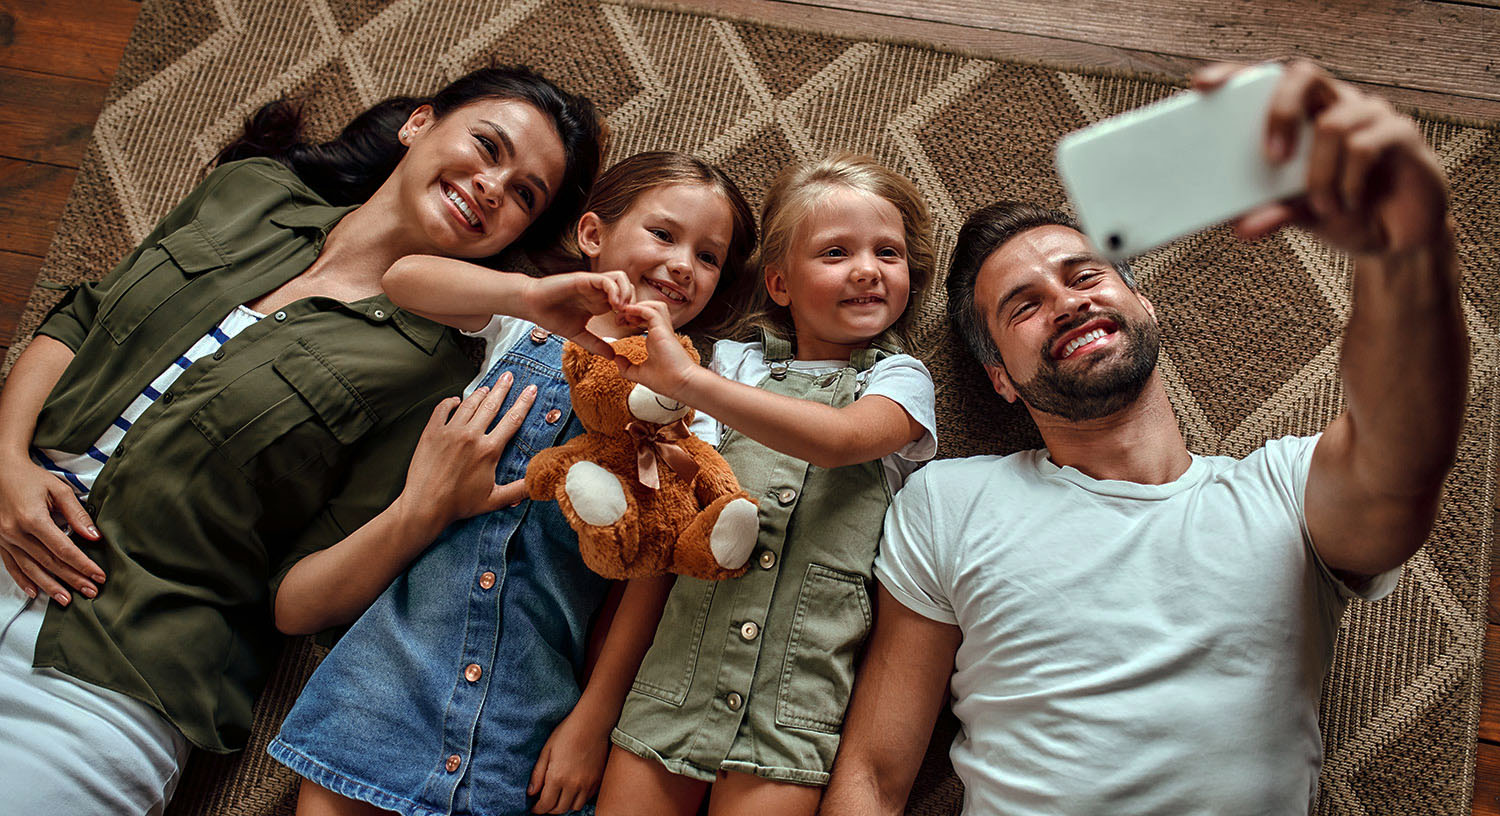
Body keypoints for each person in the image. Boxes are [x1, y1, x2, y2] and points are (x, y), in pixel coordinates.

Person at [819, 60, 1466, 815]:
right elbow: (871, 773)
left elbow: (1406, 445)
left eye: (1085, 275)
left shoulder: (1288, 490)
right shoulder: (949, 501)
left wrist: (1409, 252)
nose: (1065, 302)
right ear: (1000, 376)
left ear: (1143, 304)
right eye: (1023, 306)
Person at [0, 66, 604, 815]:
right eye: (487, 147)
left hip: (110, 676)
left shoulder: (438, 369)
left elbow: (293, 601)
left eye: (523, 195)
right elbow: (82, 320)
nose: (492, 187)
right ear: (419, 124)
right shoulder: (250, 194)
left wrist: (422, 512)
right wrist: (6, 464)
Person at [268, 150, 759, 816]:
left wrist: (595, 719)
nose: (682, 264)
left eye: (709, 257)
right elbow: (404, 278)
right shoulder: (521, 323)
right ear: (592, 235)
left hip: (529, 705)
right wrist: (525, 294)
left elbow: (653, 571)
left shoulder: (693, 393)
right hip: (384, 679)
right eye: (664, 234)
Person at [596, 154, 941, 816]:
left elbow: (839, 442)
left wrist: (691, 385)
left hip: (794, 710)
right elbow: (671, 523)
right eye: (836, 252)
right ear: (779, 284)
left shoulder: (899, 379)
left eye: (888, 253)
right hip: (671, 684)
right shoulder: (732, 364)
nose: (867, 269)